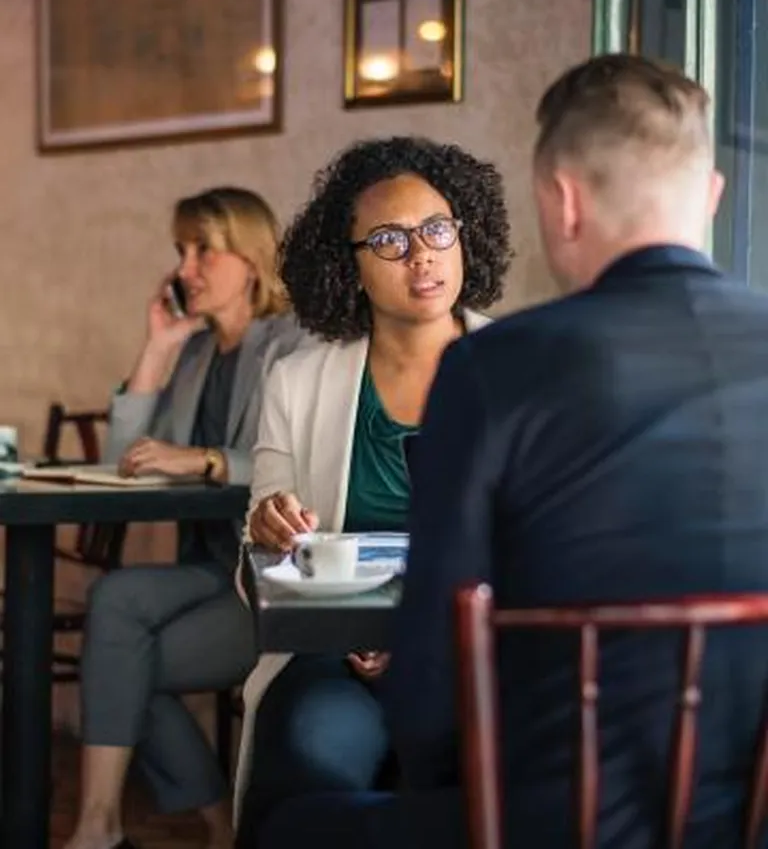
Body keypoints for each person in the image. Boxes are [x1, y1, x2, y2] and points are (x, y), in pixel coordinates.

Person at [254, 54, 768, 849]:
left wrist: (441, 771)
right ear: (711, 195)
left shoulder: (497, 366)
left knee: (291, 827)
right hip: (747, 815)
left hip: (555, 813)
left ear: (562, 200)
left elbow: (432, 678)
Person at [233, 136, 511, 845]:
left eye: (437, 229)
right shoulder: (298, 381)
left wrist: (424, 639)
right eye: (389, 239)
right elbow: (263, 554)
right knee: (312, 745)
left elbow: (544, 547)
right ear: (348, 265)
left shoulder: (523, 367)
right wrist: (269, 523)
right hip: (337, 654)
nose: (421, 254)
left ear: (465, 236)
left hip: (481, 653)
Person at [64, 186, 306, 849]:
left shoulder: (294, 342)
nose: (184, 268)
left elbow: (299, 464)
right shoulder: (197, 352)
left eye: (204, 251)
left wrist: (205, 459)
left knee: (121, 664)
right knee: (114, 598)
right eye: (181, 251)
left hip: (265, 578)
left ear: (251, 259)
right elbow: (124, 466)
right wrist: (157, 347)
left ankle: (152, 826)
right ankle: (107, 824)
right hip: (206, 568)